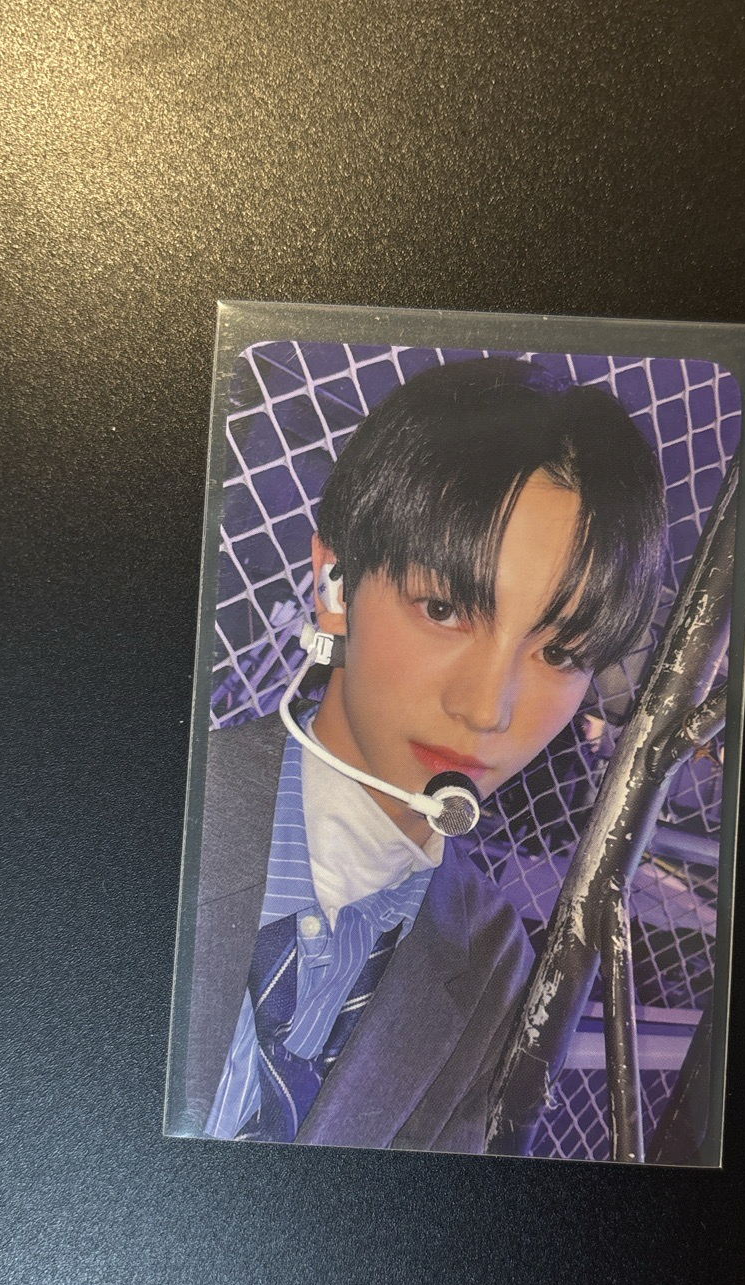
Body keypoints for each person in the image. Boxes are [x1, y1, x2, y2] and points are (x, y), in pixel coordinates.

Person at [169, 356, 665, 1152]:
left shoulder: (495, 963)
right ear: (335, 587)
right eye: (443, 609)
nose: (487, 709)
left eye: (560, 653)